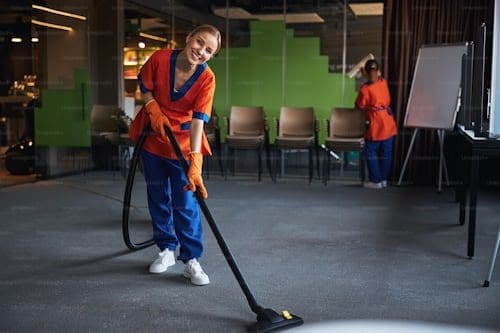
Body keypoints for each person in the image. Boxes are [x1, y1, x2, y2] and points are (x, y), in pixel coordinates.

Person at [128, 25, 221, 285]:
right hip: (153, 141)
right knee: (158, 198)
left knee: (186, 203)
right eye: (199, 42)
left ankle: (191, 260)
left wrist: (195, 160)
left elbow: (198, 122)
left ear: (212, 56)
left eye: (208, 50)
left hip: (182, 144)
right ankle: (166, 250)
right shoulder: (160, 59)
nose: (201, 50)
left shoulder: (207, 79)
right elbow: (144, 84)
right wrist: (152, 106)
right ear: (188, 36)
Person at [355, 59, 397, 189]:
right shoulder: (383, 82)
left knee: (370, 151)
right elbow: (374, 76)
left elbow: (359, 106)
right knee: (386, 153)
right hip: (388, 122)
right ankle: (384, 179)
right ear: (377, 71)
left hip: (376, 124)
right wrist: (366, 74)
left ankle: (376, 180)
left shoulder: (364, 89)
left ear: (367, 73)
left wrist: (364, 78)